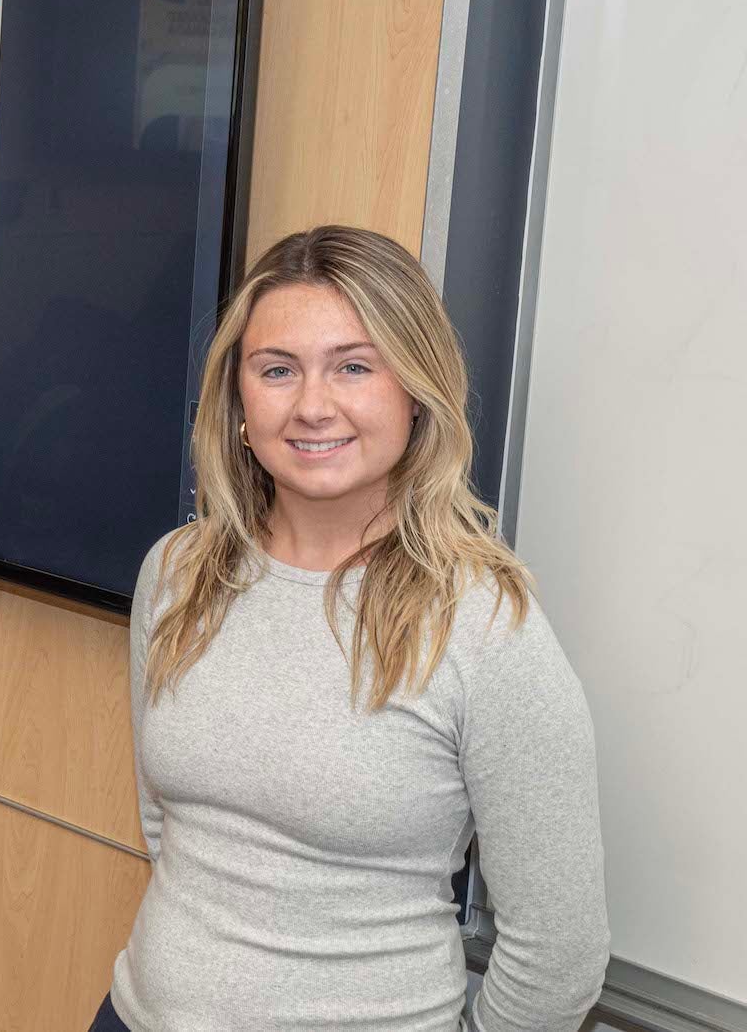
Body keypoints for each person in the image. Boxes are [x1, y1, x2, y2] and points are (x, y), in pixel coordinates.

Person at [92, 227, 608, 1032]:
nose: (312, 405)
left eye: (354, 366)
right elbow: (172, 831)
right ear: (238, 400)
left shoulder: (483, 625)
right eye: (277, 370)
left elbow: (560, 953)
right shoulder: (177, 572)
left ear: (416, 391)